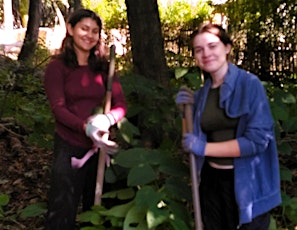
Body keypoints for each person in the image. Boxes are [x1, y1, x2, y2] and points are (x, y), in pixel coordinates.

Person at [176, 23, 281, 230]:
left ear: (227, 48)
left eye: (212, 46)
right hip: (211, 182)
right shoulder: (203, 93)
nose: (206, 53)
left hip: (246, 185)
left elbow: (257, 141)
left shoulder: (250, 85)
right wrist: (185, 113)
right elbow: (190, 141)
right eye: (199, 50)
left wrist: (205, 148)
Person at [43, 9, 127, 229]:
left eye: (95, 31)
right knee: (62, 211)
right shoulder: (57, 67)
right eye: (84, 28)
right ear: (70, 29)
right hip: (69, 146)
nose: (89, 35)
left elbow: (121, 105)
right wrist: (86, 127)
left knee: (100, 209)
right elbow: (58, 109)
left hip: (101, 148)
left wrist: (107, 120)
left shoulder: (104, 68)